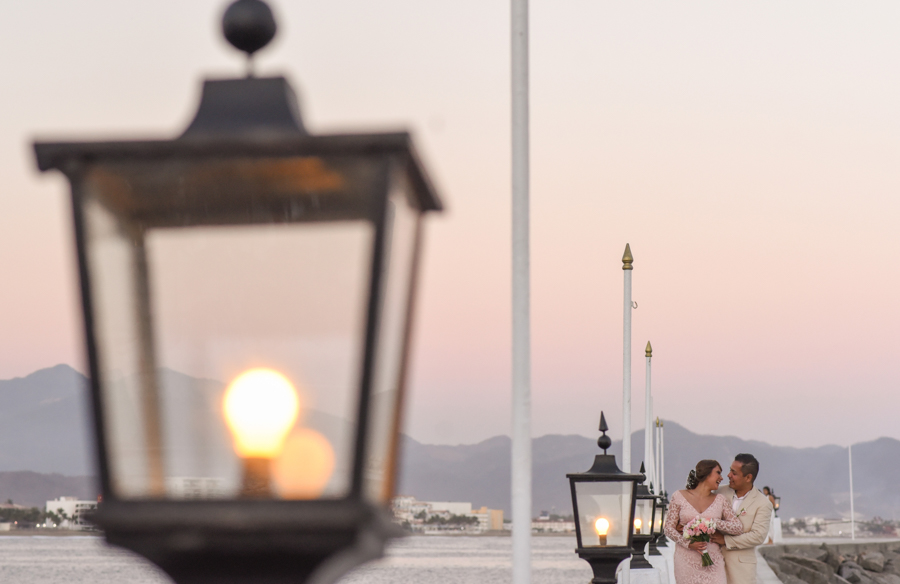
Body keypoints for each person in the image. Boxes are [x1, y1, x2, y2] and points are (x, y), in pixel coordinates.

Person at [664, 460, 744, 584]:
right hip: (686, 561)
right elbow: (668, 528)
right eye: (718, 473)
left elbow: (737, 527)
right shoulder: (679, 496)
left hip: (713, 561)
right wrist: (688, 544)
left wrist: (712, 522)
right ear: (706, 473)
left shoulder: (720, 500)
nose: (722, 478)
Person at [713, 454, 773, 584]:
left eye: (733, 473)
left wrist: (725, 540)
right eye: (730, 470)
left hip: (741, 571)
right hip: (712, 565)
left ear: (748, 477)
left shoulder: (762, 503)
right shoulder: (719, 491)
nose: (728, 475)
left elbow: (758, 536)